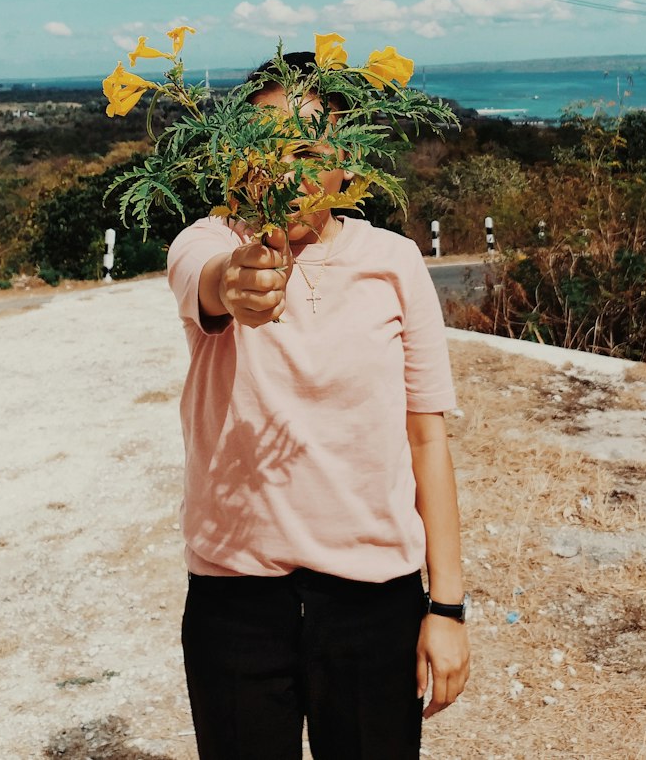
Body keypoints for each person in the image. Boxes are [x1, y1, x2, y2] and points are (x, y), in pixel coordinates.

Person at [166, 51, 470, 760]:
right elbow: (212, 283)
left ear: (349, 156)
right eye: (261, 145)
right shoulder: (210, 243)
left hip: (375, 601)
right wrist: (238, 283)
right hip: (235, 599)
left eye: (305, 146)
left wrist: (447, 606)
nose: (283, 167)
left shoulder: (394, 263)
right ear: (233, 157)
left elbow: (427, 440)